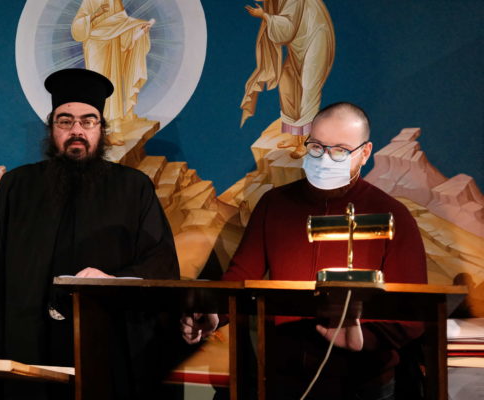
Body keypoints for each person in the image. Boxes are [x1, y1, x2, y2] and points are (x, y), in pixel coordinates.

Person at [0, 68, 179, 400]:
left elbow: (161, 264)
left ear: (102, 128)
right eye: (65, 121)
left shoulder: (133, 188)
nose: (77, 131)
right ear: (52, 127)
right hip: (26, 356)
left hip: (105, 353)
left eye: (88, 121)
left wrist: (112, 281)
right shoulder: (18, 187)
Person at [182, 102, 427, 400]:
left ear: (365, 153)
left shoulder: (391, 215)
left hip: (363, 382)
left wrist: (363, 337)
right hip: (283, 378)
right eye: (317, 147)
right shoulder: (275, 204)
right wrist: (215, 314)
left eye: (340, 151)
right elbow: (241, 275)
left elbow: (414, 310)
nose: (325, 159)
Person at [241, 0, 335, 158]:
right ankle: (295, 136)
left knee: (308, 89)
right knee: (287, 83)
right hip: (299, 44)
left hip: (315, 41)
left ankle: (307, 142)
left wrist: (264, 15)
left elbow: (287, 30)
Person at [71, 0, 154, 144]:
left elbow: (122, 24)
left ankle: (113, 130)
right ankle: (96, 130)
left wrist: (138, 31)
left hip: (113, 44)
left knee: (113, 87)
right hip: (96, 46)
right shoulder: (90, 1)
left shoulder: (116, 1)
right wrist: (95, 15)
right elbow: (77, 29)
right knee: (98, 86)